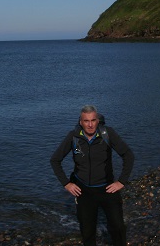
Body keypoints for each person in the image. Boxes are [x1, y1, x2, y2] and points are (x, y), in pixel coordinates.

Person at [50, 105, 134, 246]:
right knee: (87, 232)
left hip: (107, 188)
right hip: (84, 191)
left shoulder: (108, 134)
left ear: (97, 120)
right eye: (86, 121)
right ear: (80, 122)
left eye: (93, 120)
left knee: (118, 227)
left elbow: (128, 155)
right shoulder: (73, 137)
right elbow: (55, 160)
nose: (90, 124)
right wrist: (66, 183)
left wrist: (122, 181)